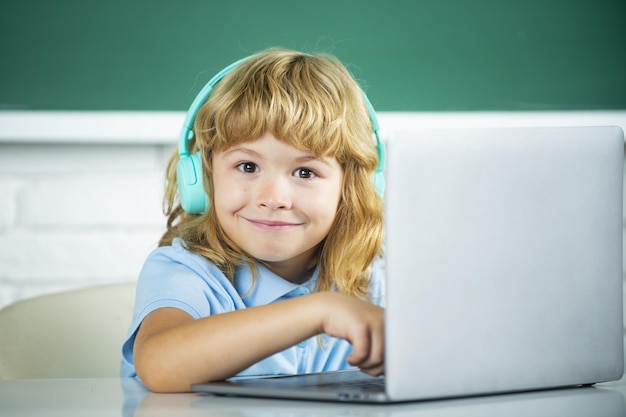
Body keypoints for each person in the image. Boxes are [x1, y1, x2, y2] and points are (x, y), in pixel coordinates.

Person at [120, 48, 386, 393]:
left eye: (305, 171)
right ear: (204, 177)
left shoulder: (367, 279)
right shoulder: (186, 271)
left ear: (350, 188)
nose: (273, 198)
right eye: (247, 166)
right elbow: (160, 364)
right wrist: (320, 310)